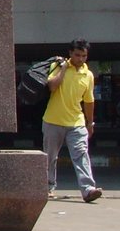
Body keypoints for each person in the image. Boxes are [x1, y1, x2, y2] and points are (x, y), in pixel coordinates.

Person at [43, 38, 102, 202]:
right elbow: (52, 86)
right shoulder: (57, 66)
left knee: (81, 155)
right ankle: (48, 186)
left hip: (76, 122)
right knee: (50, 156)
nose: (81, 59)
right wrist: (63, 68)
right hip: (53, 121)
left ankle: (88, 189)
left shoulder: (88, 74)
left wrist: (90, 123)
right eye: (77, 55)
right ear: (70, 53)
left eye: (84, 56)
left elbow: (89, 101)